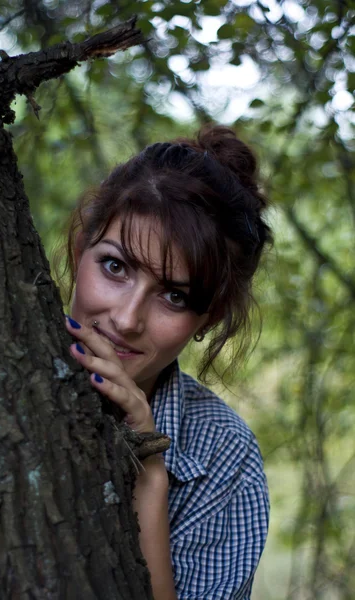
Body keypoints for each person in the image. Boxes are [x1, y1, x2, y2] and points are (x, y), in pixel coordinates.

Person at [57, 124, 272, 599]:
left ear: (207, 319)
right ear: (80, 250)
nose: (127, 319)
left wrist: (150, 473)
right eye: (116, 267)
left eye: (174, 296)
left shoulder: (222, 456)